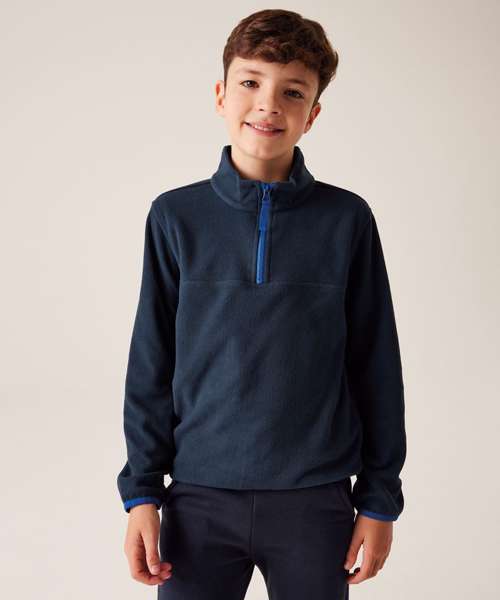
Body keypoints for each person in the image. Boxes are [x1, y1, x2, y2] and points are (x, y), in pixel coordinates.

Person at [117, 8, 407, 600]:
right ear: (221, 95)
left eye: (292, 91)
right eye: (250, 82)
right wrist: (142, 493)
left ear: (312, 114)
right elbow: (151, 361)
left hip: (315, 501)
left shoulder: (347, 220)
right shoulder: (175, 216)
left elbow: (376, 365)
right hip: (198, 500)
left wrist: (379, 501)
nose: (268, 104)